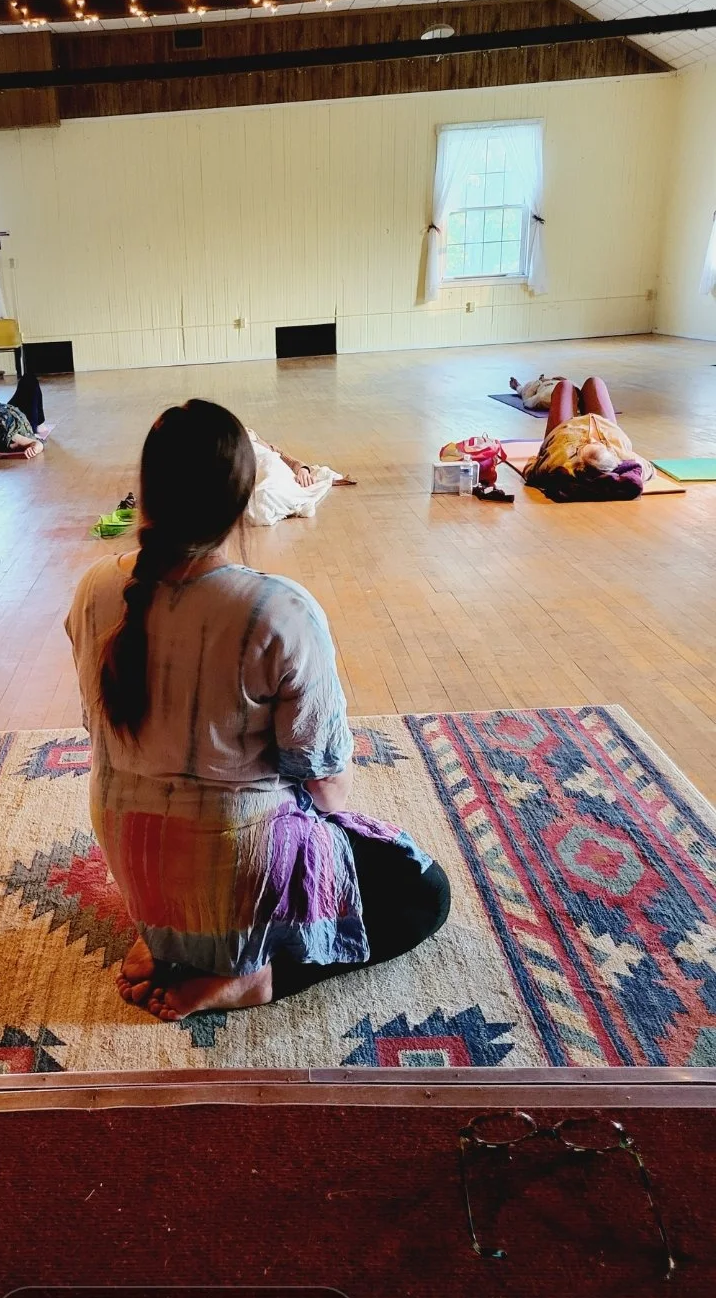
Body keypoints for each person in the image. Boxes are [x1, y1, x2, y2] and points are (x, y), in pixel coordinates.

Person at [65, 399, 450, 1021]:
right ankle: (250, 975)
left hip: (131, 851)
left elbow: (101, 726)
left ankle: (170, 939)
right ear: (246, 500)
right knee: (422, 892)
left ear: (146, 492)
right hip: (233, 867)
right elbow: (325, 784)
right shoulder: (277, 609)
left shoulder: (94, 588)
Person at [521, 379, 650, 502]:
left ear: (577, 458)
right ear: (610, 453)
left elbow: (530, 470)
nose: (592, 440)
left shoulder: (560, 462)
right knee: (594, 382)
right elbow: (648, 467)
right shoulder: (625, 458)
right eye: (597, 444)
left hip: (565, 427)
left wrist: (536, 459)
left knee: (565, 386)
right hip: (605, 423)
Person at [244, 428, 355, 525]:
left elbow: (285, 457)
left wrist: (303, 470)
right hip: (256, 474)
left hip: (273, 466)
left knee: (266, 496)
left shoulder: (249, 434)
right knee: (262, 500)